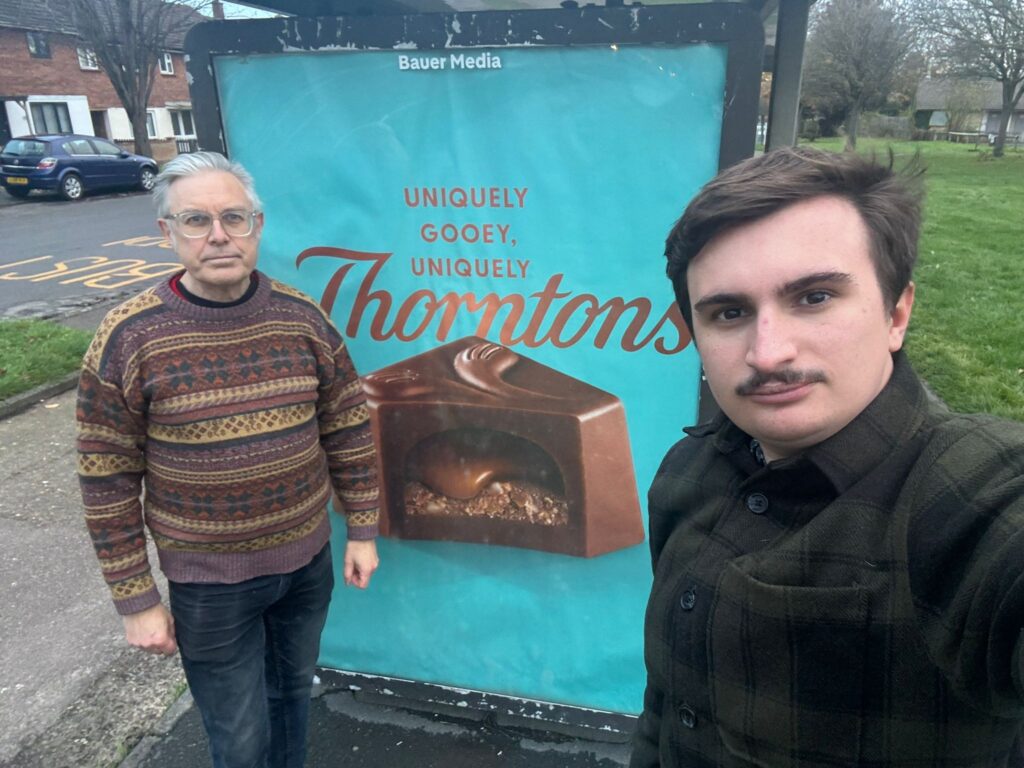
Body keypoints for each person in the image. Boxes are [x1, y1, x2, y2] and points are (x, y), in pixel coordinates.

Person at [631, 147, 1024, 767]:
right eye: (729, 312)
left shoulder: (965, 501)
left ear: (897, 313)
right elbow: (668, 704)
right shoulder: (688, 470)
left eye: (813, 297)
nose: (768, 352)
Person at [76, 151, 380, 768]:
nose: (219, 235)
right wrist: (136, 600)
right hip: (208, 585)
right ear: (167, 233)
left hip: (305, 564)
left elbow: (348, 426)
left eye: (234, 217)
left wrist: (363, 530)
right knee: (240, 740)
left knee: (293, 703)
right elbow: (106, 480)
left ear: (258, 226)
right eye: (196, 220)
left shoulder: (303, 320)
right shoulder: (129, 338)